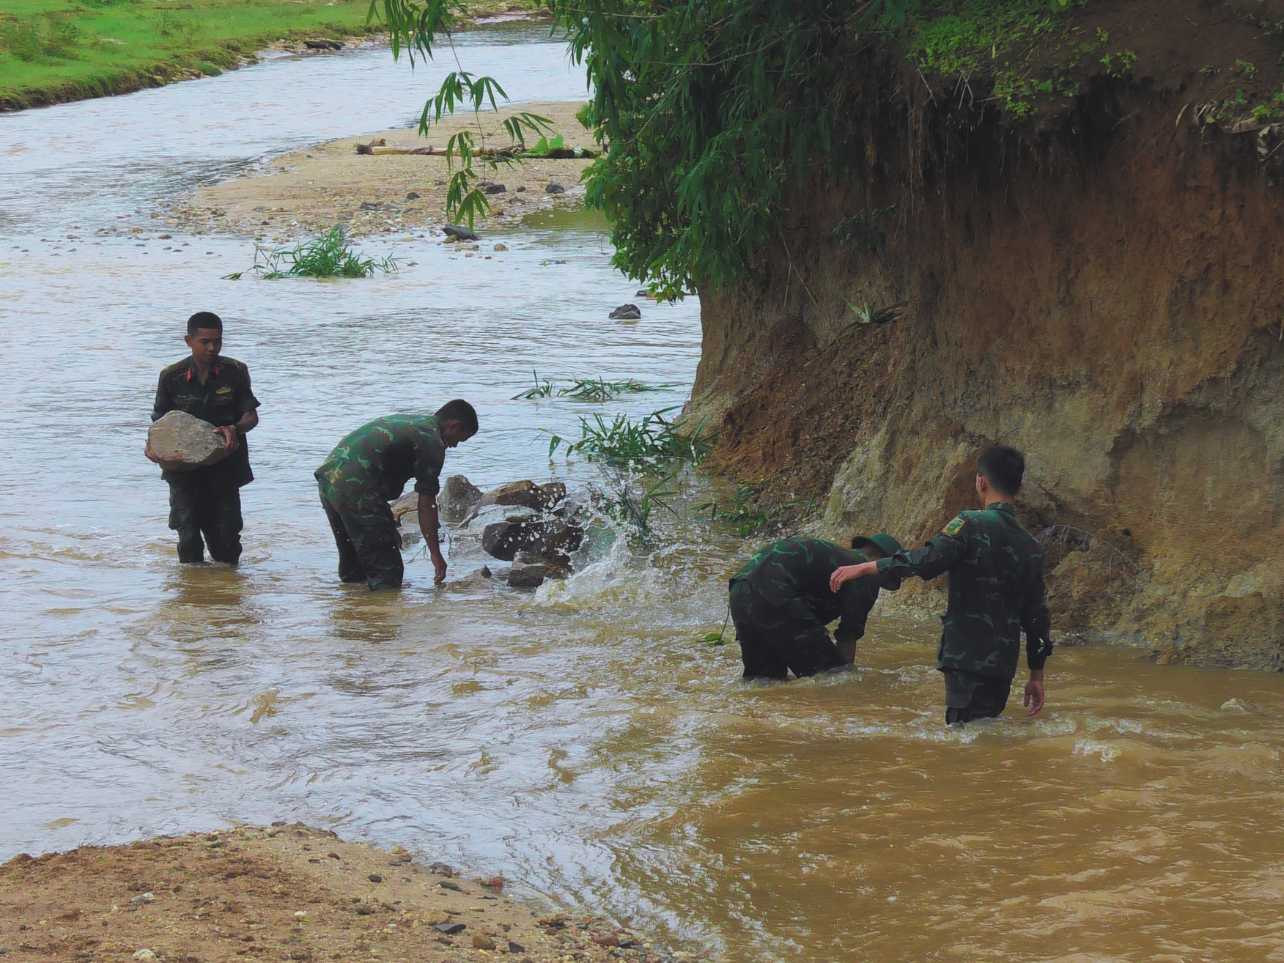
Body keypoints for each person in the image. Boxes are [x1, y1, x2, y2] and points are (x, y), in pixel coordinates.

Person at [830, 445, 1053, 724]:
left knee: (963, 739)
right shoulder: (1031, 546)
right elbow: (1037, 616)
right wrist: (1036, 675)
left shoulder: (969, 524)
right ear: (1018, 486)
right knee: (985, 734)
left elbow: (925, 561)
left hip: (965, 660)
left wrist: (866, 566)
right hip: (1002, 666)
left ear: (981, 481)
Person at [315, 401, 478, 590]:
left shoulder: (414, 422)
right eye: (459, 439)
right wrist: (436, 554)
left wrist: (387, 523)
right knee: (387, 574)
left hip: (329, 481)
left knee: (355, 567)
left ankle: (353, 613)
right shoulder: (431, 441)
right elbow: (426, 504)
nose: (455, 445)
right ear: (453, 426)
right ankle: (381, 615)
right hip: (357, 487)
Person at [146, 311, 260, 565]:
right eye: (205, 342)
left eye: (217, 341)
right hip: (182, 469)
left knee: (226, 542)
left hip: (225, 466)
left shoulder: (236, 371)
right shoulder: (171, 376)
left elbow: (251, 416)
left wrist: (235, 428)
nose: (212, 348)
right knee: (188, 538)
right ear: (189, 341)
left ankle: (224, 597)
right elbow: (159, 421)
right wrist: (151, 447)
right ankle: (192, 597)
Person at [729, 533, 903, 680]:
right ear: (884, 563)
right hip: (776, 593)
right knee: (832, 677)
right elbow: (848, 636)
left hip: (738, 589)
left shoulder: (835, 556)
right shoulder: (864, 572)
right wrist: (846, 676)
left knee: (766, 682)